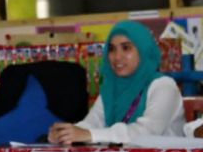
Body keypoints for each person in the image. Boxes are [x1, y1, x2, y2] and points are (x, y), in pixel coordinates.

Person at [48, 21, 184, 145]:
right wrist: (66, 133)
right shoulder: (111, 87)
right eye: (112, 49)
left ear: (143, 51)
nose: (117, 57)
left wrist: (88, 134)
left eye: (126, 48)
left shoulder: (164, 86)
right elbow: (92, 123)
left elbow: (145, 133)